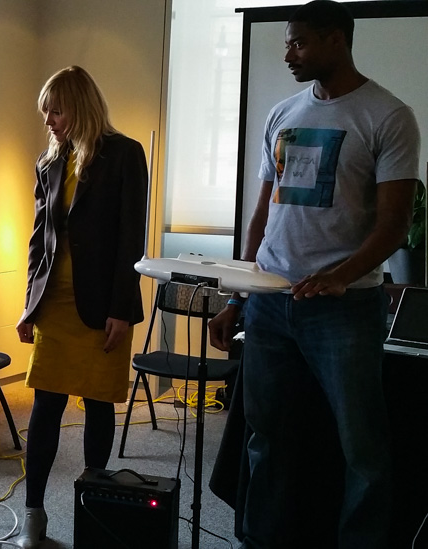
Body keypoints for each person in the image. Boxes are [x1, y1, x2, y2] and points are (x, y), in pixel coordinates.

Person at [208, 2, 420, 547]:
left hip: (343, 312)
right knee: (267, 437)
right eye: (287, 43)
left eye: (299, 43)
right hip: (271, 304)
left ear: (335, 41)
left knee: (362, 449)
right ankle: (262, 540)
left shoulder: (387, 116)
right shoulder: (282, 114)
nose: (288, 54)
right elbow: (262, 215)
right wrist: (236, 294)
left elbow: (394, 226)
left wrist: (340, 276)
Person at [14, 66, 148, 548]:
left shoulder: (125, 154)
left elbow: (132, 237)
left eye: (57, 109)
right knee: (45, 405)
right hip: (55, 300)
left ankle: (93, 508)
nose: (49, 119)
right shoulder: (49, 162)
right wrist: (29, 303)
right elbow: (38, 240)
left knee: (96, 403)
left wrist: (121, 307)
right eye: (45, 110)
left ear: (82, 107)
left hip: (103, 303)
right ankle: (34, 516)